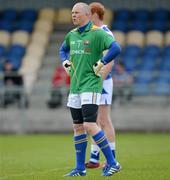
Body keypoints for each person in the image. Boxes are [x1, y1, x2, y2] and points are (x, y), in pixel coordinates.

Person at [59, 2, 121, 177]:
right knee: (77, 127)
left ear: (87, 14)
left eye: (77, 12)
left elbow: (116, 48)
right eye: (72, 12)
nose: (73, 15)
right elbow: (62, 50)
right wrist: (65, 62)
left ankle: (113, 162)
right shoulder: (71, 35)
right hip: (75, 87)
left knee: (90, 124)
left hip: (91, 85)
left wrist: (102, 62)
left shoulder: (98, 33)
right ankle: (80, 168)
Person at [85, 2, 118, 169]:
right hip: (95, 81)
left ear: (94, 14)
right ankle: (94, 158)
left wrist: (98, 79)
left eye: (87, 13)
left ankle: (112, 158)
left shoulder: (105, 32)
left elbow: (109, 62)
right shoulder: (93, 32)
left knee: (104, 120)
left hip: (103, 82)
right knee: (94, 121)